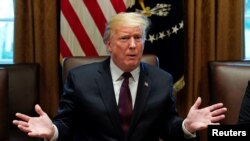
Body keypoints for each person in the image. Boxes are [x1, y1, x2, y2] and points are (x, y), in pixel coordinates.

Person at [13, 12, 227, 141]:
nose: (133, 45)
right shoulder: (80, 79)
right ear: (109, 44)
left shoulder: (162, 80)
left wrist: (185, 127)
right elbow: (67, 125)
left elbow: (167, 126)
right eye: (125, 38)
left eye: (138, 38)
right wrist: (53, 133)